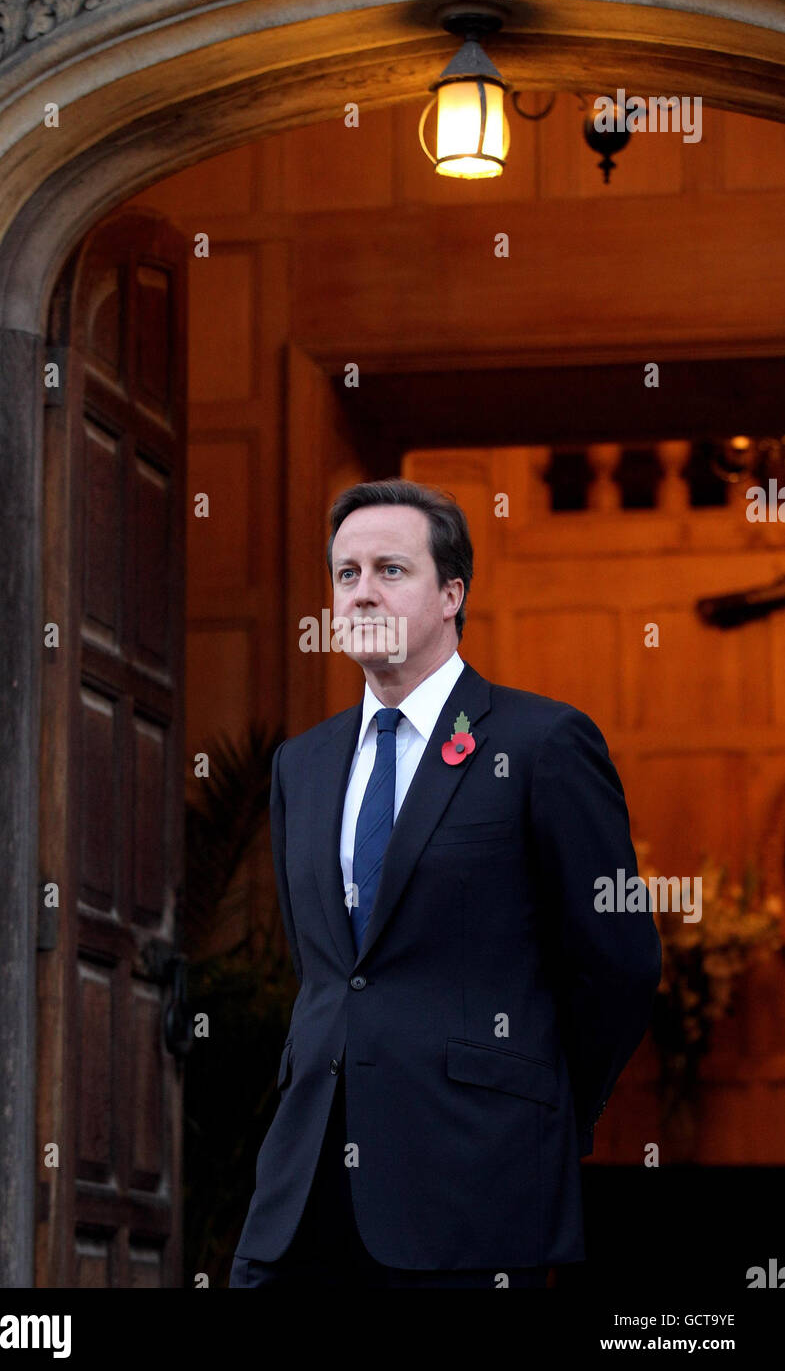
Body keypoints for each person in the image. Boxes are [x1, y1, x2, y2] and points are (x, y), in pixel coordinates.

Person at [229, 477, 661, 1288]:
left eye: (390, 570)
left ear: (451, 593)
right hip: (303, 1193)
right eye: (346, 573)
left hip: (475, 1184)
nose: (362, 592)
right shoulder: (302, 764)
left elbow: (621, 963)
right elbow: (327, 973)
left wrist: (538, 1100)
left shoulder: (542, 742)